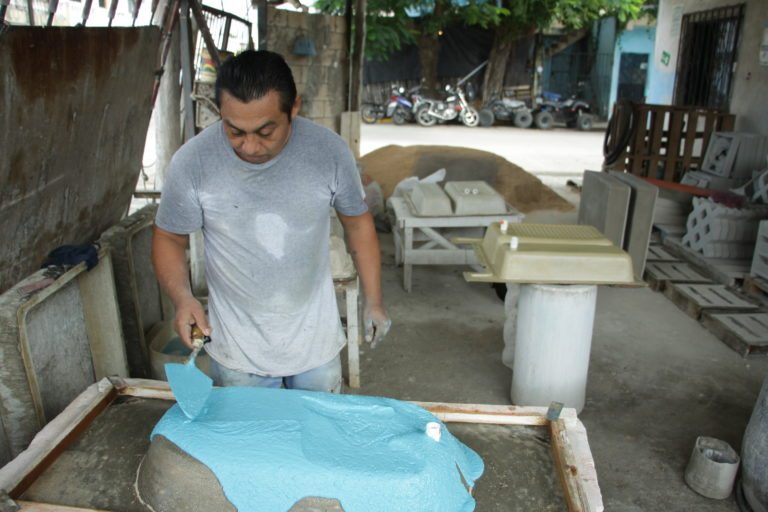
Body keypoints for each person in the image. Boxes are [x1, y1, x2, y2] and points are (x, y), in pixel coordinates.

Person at [152, 50, 390, 394]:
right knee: (253, 443)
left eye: (266, 131)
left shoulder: (329, 153)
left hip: (315, 346)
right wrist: (182, 298)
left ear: (294, 107)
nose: (250, 146)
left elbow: (358, 224)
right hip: (237, 352)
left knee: (314, 437)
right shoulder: (193, 162)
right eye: (235, 131)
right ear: (221, 112)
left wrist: (375, 301)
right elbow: (168, 236)